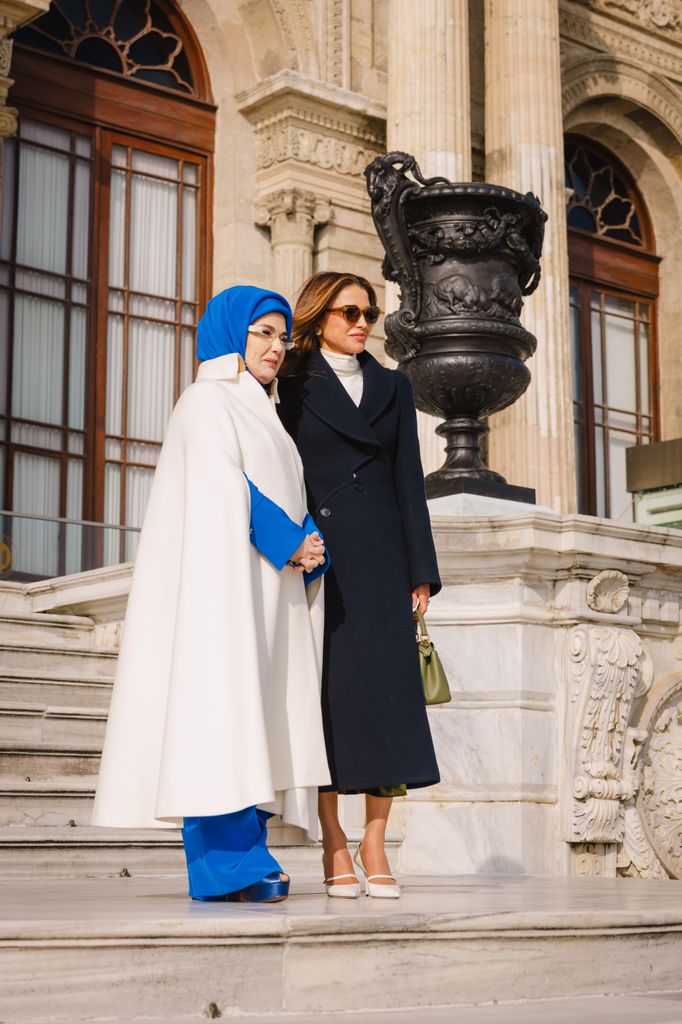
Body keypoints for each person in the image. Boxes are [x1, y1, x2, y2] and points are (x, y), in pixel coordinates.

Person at [92, 285, 331, 903]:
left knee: (259, 715)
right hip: (224, 594)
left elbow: (281, 489)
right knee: (220, 713)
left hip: (266, 590)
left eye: (282, 336)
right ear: (232, 335)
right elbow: (222, 486)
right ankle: (226, 865)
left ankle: (246, 852)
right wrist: (289, 538)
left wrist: (309, 539)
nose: (278, 347)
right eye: (264, 334)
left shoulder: (264, 412)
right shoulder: (205, 401)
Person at [277, 271, 441, 900]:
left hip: (381, 559)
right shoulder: (290, 382)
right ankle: (333, 842)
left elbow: (408, 478)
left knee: (387, 700)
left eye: (369, 312)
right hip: (319, 556)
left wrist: (421, 571)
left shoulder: (394, 386)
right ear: (319, 317)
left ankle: (374, 839)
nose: (362, 322)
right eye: (349, 312)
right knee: (325, 700)